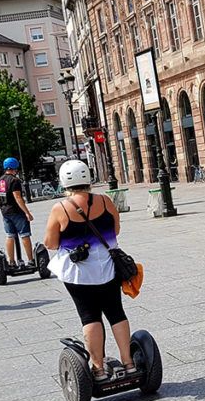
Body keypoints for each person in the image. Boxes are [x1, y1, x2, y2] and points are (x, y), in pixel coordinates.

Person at [43, 160, 136, 382]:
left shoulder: (61, 208)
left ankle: (99, 369)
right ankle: (129, 363)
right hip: (108, 268)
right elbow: (116, 230)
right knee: (116, 312)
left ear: (64, 181)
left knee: (89, 316)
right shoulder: (105, 201)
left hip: (78, 274)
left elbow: (50, 243)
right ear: (88, 179)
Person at [0, 157, 36, 269]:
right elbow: (18, 197)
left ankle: (12, 262)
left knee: (10, 236)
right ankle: (31, 260)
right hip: (16, 211)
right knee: (25, 235)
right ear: (15, 168)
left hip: (5, 212)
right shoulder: (14, 180)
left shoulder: (0, 181)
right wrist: (27, 212)